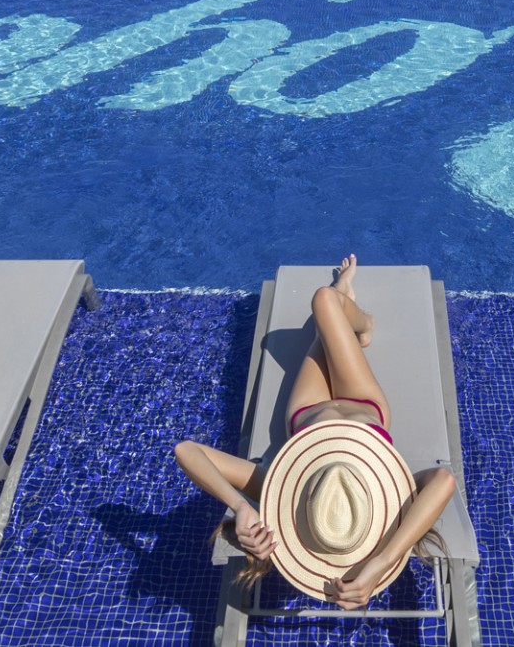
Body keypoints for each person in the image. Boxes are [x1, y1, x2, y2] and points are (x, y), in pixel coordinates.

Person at [174, 255, 457, 610]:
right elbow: (444, 481)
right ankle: (361, 320)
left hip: (308, 410)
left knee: (325, 308)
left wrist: (239, 506)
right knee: (325, 304)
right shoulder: (384, 496)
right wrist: (382, 563)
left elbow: (187, 450)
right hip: (363, 401)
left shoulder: (283, 493)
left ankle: (345, 302)